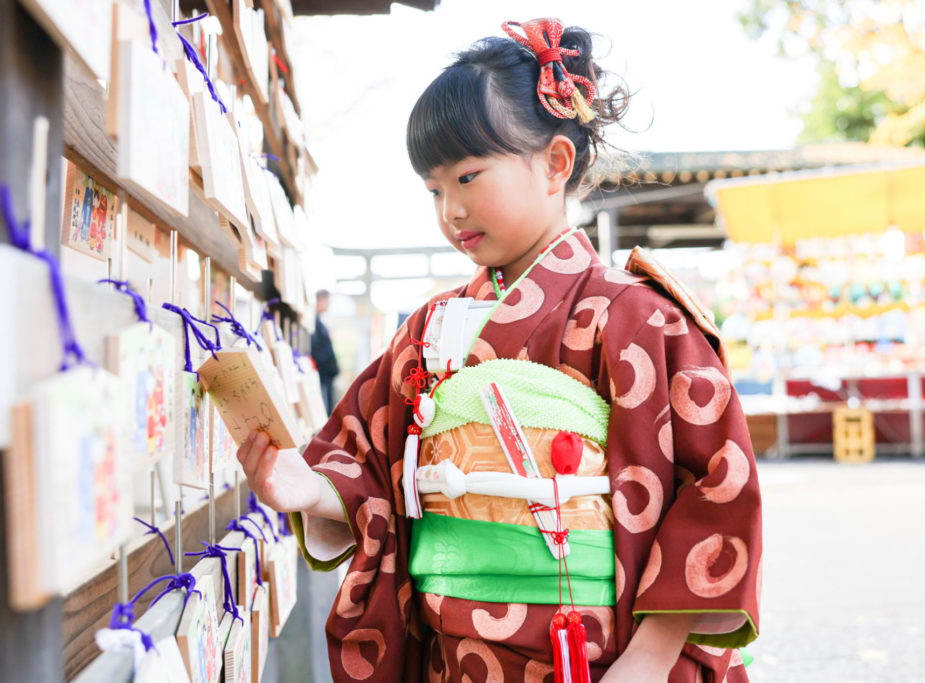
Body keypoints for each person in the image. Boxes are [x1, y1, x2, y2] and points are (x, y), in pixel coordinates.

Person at [237, 17, 761, 682]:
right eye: (434, 188)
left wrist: (651, 659)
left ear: (556, 163)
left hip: (610, 659)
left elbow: (717, 485)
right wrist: (308, 487)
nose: (450, 209)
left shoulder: (639, 317)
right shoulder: (427, 328)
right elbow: (371, 461)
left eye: (468, 176)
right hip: (456, 656)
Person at [311, 289, 340, 412]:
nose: (329, 304)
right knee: (325, 406)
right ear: (320, 300)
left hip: (326, 373)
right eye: (327, 301)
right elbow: (316, 349)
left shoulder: (319, 320)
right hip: (323, 373)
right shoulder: (314, 321)